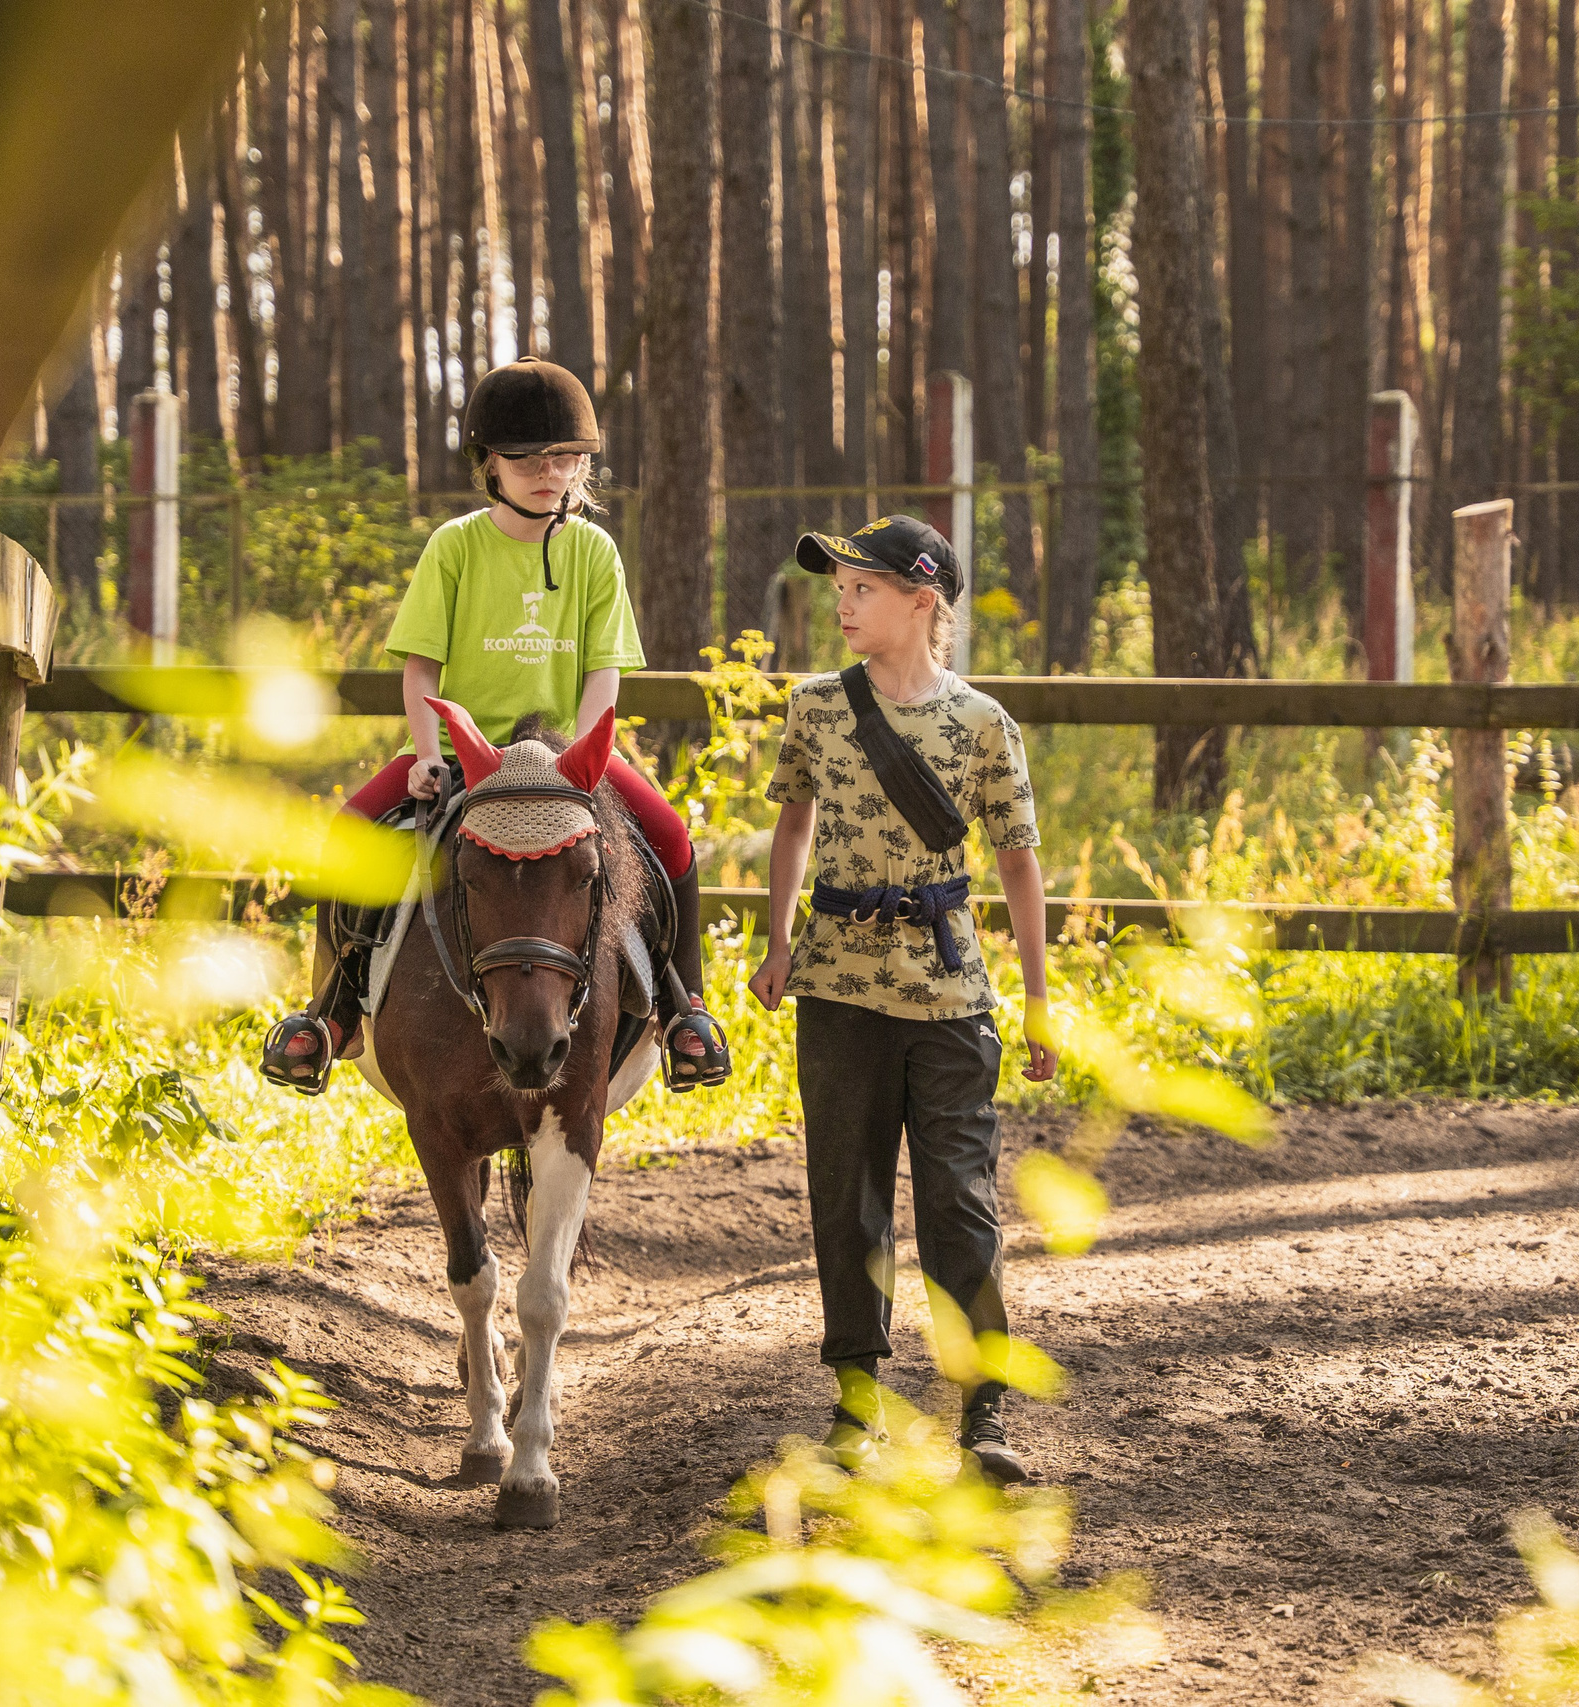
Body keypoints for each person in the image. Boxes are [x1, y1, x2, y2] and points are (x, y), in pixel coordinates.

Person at [260, 357, 730, 1096]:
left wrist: (582, 757)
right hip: (459, 751)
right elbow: (420, 672)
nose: (551, 473)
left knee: (671, 835)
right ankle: (332, 1012)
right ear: (489, 462)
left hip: (564, 755)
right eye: (529, 458)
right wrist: (422, 755)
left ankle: (685, 1012)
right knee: (350, 827)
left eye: (566, 457)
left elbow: (604, 671)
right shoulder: (454, 547)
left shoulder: (594, 553)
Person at [747, 515, 1059, 1485]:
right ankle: (854, 1404)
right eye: (834, 589)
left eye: (861, 590)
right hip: (835, 989)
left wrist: (1039, 1001)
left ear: (922, 602)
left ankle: (984, 1413)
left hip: (949, 996)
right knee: (845, 1201)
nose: (839, 605)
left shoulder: (980, 725)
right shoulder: (812, 707)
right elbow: (792, 825)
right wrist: (775, 940)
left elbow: (1018, 866)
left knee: (961, 1203)